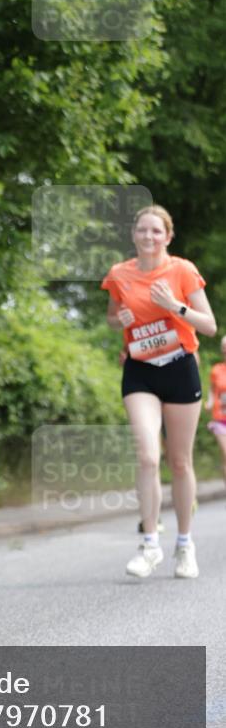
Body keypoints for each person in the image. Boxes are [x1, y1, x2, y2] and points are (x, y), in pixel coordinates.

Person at [102, 205, 217, 579]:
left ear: (168, 236)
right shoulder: (120, 274)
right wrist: (118, 320)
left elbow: (210, 326)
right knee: (148, 456)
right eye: (142, 230)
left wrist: (175, 306)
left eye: (156, 231)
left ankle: (184, 545)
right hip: (140, 371)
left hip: (180, 368)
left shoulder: (182, 270)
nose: (149, 236)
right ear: (133, 234)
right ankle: (150, 544)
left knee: (180, 462)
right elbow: (112, 317)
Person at [205, 334, 226, 488]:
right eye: (224, 348)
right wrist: (210, 402)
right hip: (220, 418)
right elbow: (212, 390)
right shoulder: (217, 370)